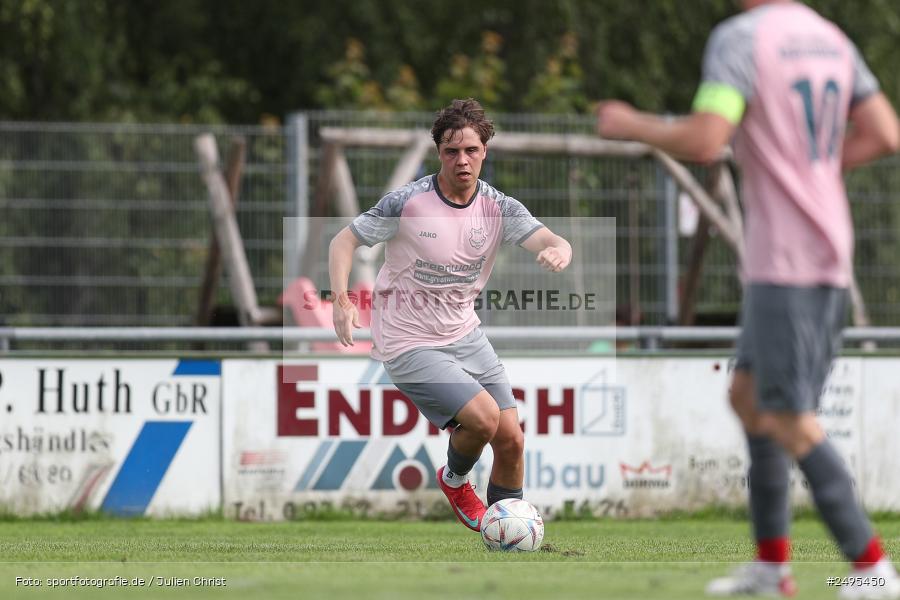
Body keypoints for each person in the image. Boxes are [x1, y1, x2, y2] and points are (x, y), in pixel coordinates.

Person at [597, 1, 899, 598]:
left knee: (789, 415)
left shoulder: (742, 38)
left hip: (790, 258)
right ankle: (771, 567)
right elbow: (886, 132)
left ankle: (871, 570)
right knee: (748, 396)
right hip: (816, 249)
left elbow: (708, 139)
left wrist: (633, 124)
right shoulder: (829, 37)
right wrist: (812, 172)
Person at [328, 98, 572, 531]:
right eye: (451, 151)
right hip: (407, 339)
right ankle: (456, 481)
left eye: (471, 150)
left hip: (464, 333)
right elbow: (342, 242)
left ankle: (504, 529)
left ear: (485, 152)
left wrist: (558, 250)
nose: (462, 160)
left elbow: (554, 240)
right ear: (438, 153)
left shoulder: (499, 208)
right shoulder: (409, 202)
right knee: (482, 418)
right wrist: (342, 303)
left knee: (512, 439)